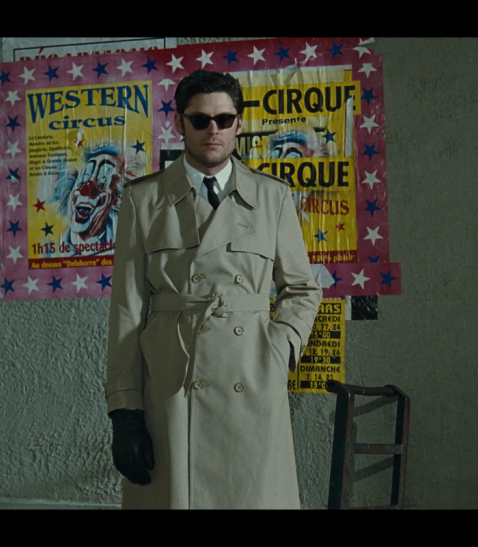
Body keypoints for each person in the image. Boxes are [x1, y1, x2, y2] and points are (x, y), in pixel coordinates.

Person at [105, 70, 322, 509]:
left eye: (224, 119)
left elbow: (302, 288)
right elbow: (127, 309)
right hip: (174, 384)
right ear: (179, 123)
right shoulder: (143, 200)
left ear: (239, 124)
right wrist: (124, 411)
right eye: (200, 120)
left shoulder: (272, 197)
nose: (213, 130)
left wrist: (278, 350)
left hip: (251, 379)